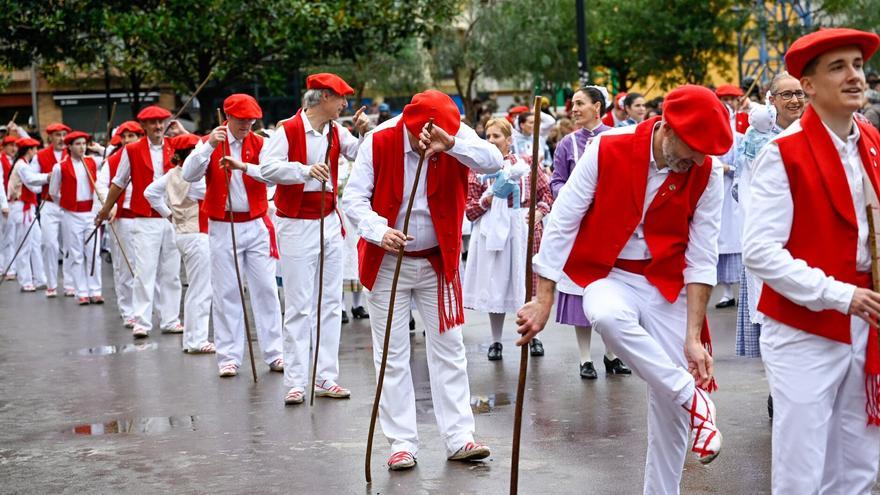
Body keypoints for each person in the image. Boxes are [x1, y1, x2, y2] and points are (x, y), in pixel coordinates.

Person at [517, 85, 730, 494]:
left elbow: (703, 256)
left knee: (669, 406)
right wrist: (544, 298)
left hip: (668, 283)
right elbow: (563, 220)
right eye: (695, 149)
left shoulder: (708, 171)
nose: (700, 160)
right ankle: (694, 398)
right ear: (668, 128)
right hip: (610, 274)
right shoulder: (607, 147)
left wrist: (693, 336)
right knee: (606, 316)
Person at [742, 28, 880, 494]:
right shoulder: (783, 152)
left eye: (857, 65)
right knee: (801, 468)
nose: (854, 76)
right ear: (809, 86)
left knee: (860, 463)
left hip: (865, 322)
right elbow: (760, 251)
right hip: (803, 327)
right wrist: (839, 295)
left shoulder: (871, 141)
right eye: (838, 67)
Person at [342, 89, 503, 470]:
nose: (426, 143)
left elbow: (494, 162)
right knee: (391, 353)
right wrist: (379, 230)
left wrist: (454, 145)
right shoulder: (379, 139)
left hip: (438, 260)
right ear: (407, 124)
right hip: (387, 261)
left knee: (450, 348)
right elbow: (353, 199)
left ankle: (459, 437)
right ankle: (402, 443)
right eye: (420, 138)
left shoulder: (454, 132)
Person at [261, 76, 369, 403]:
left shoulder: (337, 131)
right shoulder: (288, 130)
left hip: (329, 221)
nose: (345, 104)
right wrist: (303, 170)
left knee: (331, 303)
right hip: (295, 224)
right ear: (323, 97)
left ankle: (325, 377)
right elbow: (267, 168)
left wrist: (365, 133)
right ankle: (295, 381)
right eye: (341, 98)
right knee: (298, 305)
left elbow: (363, 155)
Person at [182, 94, 284, 376]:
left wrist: (244, 167)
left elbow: (271, 176)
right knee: (227, 291)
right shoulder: (210, 142)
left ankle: (275, 353)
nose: (247, 125)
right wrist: (209, 146)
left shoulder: (261, 143)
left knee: (266, 289)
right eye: (241, 120)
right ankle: (228, 357)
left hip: (256, 223)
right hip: (223, 225)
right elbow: (189, 175)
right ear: (227, 117)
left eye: (251, 120)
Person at [550, 86, 631, 379]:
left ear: (598, 106)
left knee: (612, 289)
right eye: (572, 104)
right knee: (578, 289)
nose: (573, 109)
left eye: (580, 103)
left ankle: (612, 354)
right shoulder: (566, 144)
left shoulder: (618, 138)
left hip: (610, 228)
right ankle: (585, 358)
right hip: (579, 227)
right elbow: (556, 182)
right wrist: (574, 198)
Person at [462, 117, 552, 361]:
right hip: (493, 232)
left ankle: (533, 336)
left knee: (528, 283)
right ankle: (496, 340)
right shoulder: (478, 169)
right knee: (497, 286)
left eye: (497, 136)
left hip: (522, 228)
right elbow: (470, 209)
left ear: (509, 139)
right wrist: (490, 198)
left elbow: (546, 194)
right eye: (488, 136)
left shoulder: (526, 163)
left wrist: (539, 213)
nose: (491, 140)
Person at [96, 106, 185, 339]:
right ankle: (141, 321)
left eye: (161, 122)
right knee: (144, 271)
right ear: (143, 126)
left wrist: (182, 132)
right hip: (145, 218)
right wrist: (106, 208)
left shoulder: (175, 146)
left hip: (172, 217)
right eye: (153, 122)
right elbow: (118, 182)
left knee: (172, 272)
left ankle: (170, 319)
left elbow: (199, 151)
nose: (158, 126)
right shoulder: (132, 150)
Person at [734, 72, 805, 358]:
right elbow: (745, 191)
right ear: (772, 100)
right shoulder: (757, 139)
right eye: (787, 94)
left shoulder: (813, 130)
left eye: (799, 93)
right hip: (771, 235)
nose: (795, 100)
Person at [146, 133, 215, 355]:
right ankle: (197, 340)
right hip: (198, 234)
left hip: (182, 233)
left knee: (196, 288)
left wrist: (169, 214)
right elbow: (216, 194)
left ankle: (193, 339)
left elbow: (150, 193)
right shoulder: (196, 179)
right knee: (201, 290)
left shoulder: (171, 174)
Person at [96, 121, 144, 326]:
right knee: (124, 265)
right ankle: (128, 311)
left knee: (148, 266)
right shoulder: (113, 160)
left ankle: (149, 309)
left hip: (147, 218)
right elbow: (100, 184)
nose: (126, 140)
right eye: (123, 137)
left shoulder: (147, 156)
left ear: (139, 137)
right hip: (123, 218)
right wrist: (110, 204)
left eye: (131, 136)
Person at [48, 131, 103, 305]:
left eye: (84, 144)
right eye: (78, 144)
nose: (82, 147)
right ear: (69, 147)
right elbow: (53, 192)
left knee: (94, 253)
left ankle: (95, 290)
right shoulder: (60, 167)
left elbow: (111, 157)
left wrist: (99, 149)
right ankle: (82, 292)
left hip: (91, 213)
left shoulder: (92, 161)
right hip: (71, 214)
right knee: (76, 254)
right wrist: (66, 204)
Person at [20, 123, 71, 297]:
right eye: (58, 135)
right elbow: (30, 177)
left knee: (70, 245)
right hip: (49, 204)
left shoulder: (72, 152)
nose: (62, 139)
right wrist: (47, 177)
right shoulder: (40, 155)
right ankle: (51, 284)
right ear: (50, 137)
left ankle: (70, 284)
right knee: (49, 244)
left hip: (69, 205)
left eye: (64, 135)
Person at [713, 87, 745, 309]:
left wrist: (729, 168)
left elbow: (745, 165)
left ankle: (743, 290)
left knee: (738, 239)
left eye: (731, 100)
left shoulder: (741, 136)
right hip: (715, 193)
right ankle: (725, 291)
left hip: (735, 193)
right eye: (724, 100)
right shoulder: (709, 135)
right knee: (718, 242)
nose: (729, 103)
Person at [6, 137, 45, 292]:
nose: (36, 152)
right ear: (30, 150)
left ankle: (39, 278)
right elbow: (32, 180)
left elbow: (34, 187)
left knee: (36, 242)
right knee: (24, 245)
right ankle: (25, 281)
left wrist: (45, 183)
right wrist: (48, 177)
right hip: (21, 207)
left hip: (28, 207)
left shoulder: (24, 164)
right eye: (35, 149)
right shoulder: (22, 165)